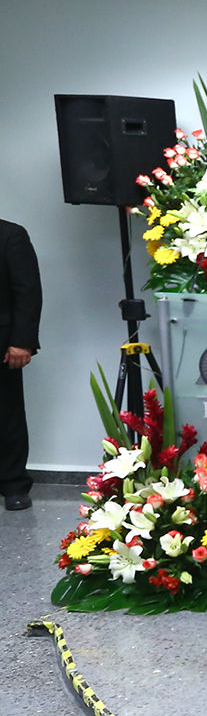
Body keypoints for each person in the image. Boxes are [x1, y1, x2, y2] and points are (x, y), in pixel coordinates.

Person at [0, 215, 41, 511]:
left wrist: (22, 341)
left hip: (3, 345)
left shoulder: (11, 235)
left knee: (7, 414)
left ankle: (14, 484)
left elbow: (28, 292)